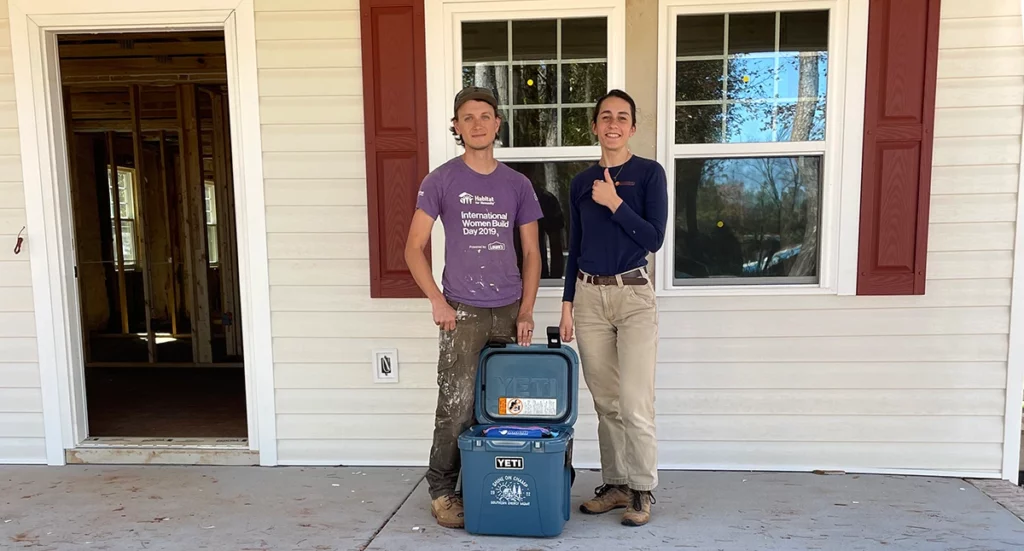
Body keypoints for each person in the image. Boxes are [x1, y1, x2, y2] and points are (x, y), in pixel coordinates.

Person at [405, 86, 544, 529]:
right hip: (461, 310)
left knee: (503, 405)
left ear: (498, 123)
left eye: (485, 116)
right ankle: (443, 491)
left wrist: (526, 310)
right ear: (456, 126)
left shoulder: (517, 184)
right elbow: (413, 247)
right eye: (468, 117)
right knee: (456, 405)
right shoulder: (441, 180)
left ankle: (486, 482)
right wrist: (437, 300)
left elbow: (532, 253)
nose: (478, 124)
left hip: (507, 310)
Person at [558, 89, 668, 527]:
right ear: (595, 125)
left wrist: (615, 203)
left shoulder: (649, 174)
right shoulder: (581, 182)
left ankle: (642, 488)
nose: (613, 124)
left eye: (623, 117)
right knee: (606, 401)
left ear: (633, 128)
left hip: (633, 295)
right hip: (588, 297)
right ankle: (617, 482)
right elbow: (575, 247)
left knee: (635, 400)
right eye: (605, 116)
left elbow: (654, 238)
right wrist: (567, 304)